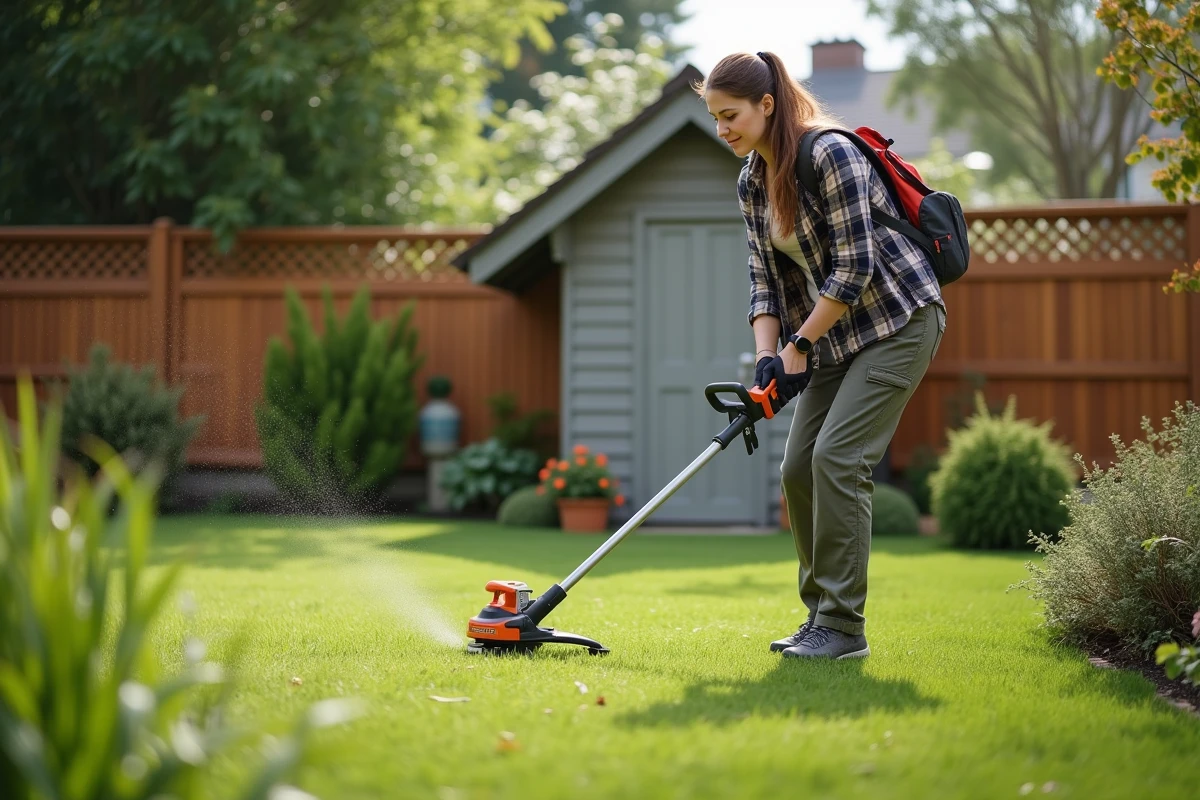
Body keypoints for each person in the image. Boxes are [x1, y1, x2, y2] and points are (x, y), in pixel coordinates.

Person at [693, 51, 947, 660]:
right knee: (797, 468)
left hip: (900, 320)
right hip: (833, 335)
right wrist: (766, 357)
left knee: (838, 457)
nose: (722, 129)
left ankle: (843, 628)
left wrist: (799, 346)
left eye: (731, 116)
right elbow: (763, 276)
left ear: (767, 105)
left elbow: (856, 266)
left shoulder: (828, 151)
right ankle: (819, 621)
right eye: (715, 117)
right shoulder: (752, 179)